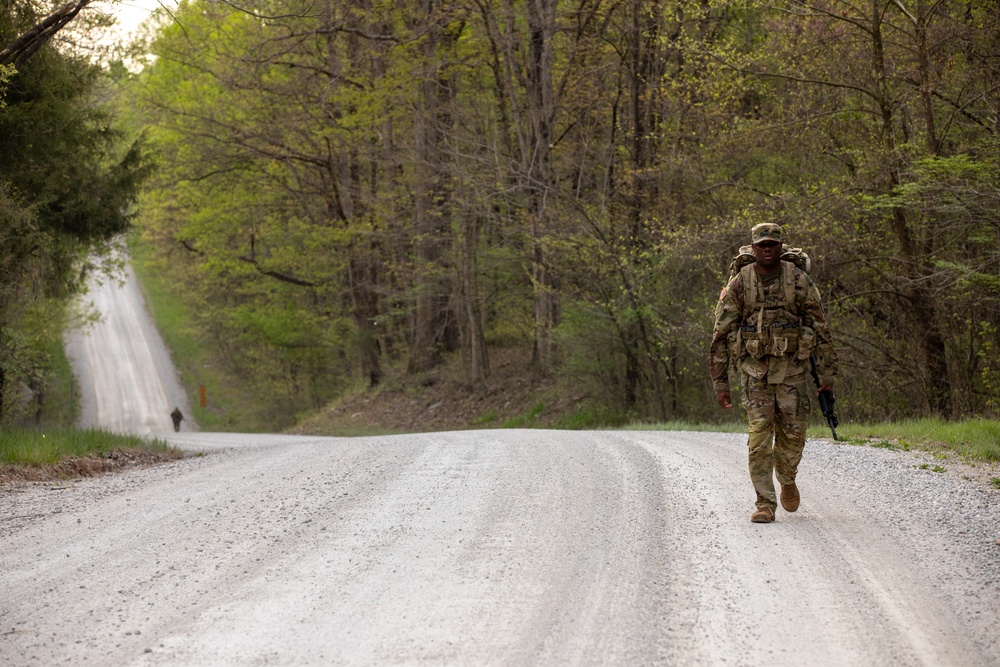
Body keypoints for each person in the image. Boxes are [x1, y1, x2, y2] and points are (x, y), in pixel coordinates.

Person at [709, 222, 837, 523]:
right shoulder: (741, 283)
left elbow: (821, 328)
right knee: (758, 439)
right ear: (753, 248)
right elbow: (720, 334)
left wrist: (828, 376)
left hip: (793, 372)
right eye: (762, 245)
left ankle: (787, 478)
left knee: (794, 437)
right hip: (756, 374)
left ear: (781, 247)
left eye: (773, 244)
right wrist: (720, 383)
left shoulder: (798, 280)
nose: (767, 249)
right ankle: (764, 502)